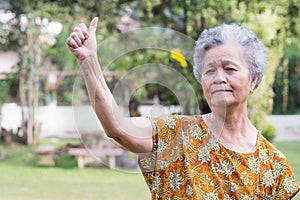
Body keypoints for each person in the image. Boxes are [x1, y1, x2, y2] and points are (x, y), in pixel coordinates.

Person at [66, 17, 299, 199]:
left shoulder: (273, 165)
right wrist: (89, 61)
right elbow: (118, 127)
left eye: (229, 69)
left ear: (253, 80)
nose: (218, 78)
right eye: (209, 71)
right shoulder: (175, 133)